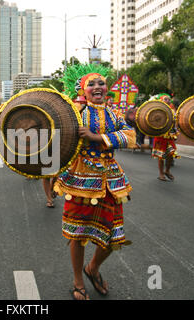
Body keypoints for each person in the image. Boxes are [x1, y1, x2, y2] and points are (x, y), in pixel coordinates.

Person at [54, 63, 135, 300]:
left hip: (110, 180)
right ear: (83, 90)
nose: (98, 87)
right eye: (92, 84)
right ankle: (78, 280)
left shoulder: (115, 114)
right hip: (80, 178)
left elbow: (130, 136)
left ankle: (93, 268)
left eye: (101, 83)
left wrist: (96, 137)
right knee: (77, 233)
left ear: (107, 88)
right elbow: (58, 133)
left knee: (112, 235)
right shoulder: (75, 113)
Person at [151, 93, 179, 181]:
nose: (168, 101)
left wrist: (175, 132)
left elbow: (174, 123)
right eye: (165, 99)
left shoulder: (172, 111)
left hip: (169, 136)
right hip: (160, 136)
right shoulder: (157, 111)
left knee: (171, 153)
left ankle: (167, 170)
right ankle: (161, 173)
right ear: (161, 101)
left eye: (168, 99)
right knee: (160, 155)